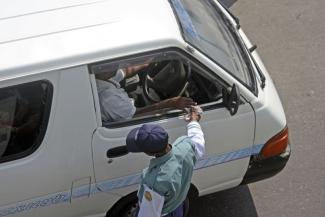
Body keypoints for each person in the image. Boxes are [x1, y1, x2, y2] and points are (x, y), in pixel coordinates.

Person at [124, 106, 205, 217]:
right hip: (177, 205)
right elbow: (197, 139)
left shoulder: (155, 181)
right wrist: (194, 121)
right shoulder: (185, 146)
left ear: (149, 153)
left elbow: (149, 213)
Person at [96, 64, 195, 125]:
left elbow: (125, 71)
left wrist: (147, 61)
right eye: (113, 64)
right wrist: (171, 103)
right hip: (133, 113)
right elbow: (138, 115)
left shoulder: (98, 76)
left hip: (125, 105)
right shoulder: (108, 98)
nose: (117, 65)